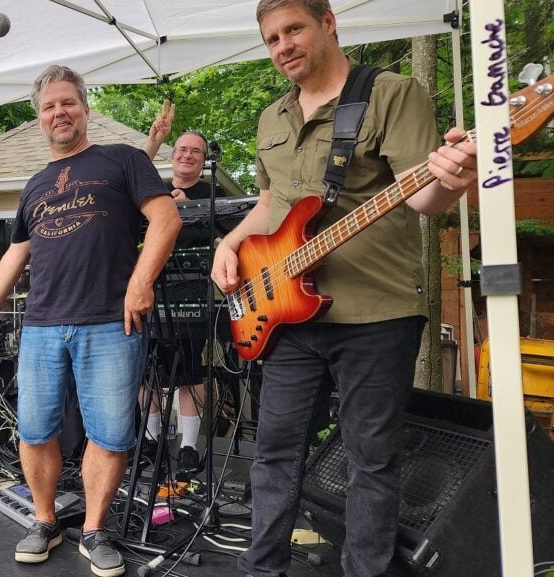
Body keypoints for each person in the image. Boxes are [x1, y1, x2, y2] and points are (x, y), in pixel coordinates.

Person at [209, 2, 478, 576]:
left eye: (294, 29)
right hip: (286, 313)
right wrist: (228, 243)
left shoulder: (391, 93)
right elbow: (271, 206)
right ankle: (262, 569)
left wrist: (451, 180)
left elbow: (421, 193)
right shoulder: (270, 118)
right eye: (271, 38)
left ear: (328, 22)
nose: (283, 46)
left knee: (371, 463)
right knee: (275, 455)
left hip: (376, 313)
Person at [0, 64, 181, 577]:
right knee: (35, 430)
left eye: (67, 102)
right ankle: (44, 520)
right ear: (39, 118)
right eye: (48, 107)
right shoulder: (36, 184)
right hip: (40, 323)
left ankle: (95, 529)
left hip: (109, 318)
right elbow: (18, 248)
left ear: (84, 107)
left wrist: (141, 280)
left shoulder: (123, 160)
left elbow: (166, 217)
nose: (59, 113)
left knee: (108, 434)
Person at [139, 103, 224, 477]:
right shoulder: (153, 190)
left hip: (192, 292)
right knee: (147, 373)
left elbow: (227, 231)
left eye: (195, 151)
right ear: (172, 156)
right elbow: (131, 172)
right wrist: (155, 138)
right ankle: (152, 440)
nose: (187, 155)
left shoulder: (213, 192)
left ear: (203, 160)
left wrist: (189, 211)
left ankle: (189, 447)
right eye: (182, 149)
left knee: (190, 372)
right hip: (150, 291)